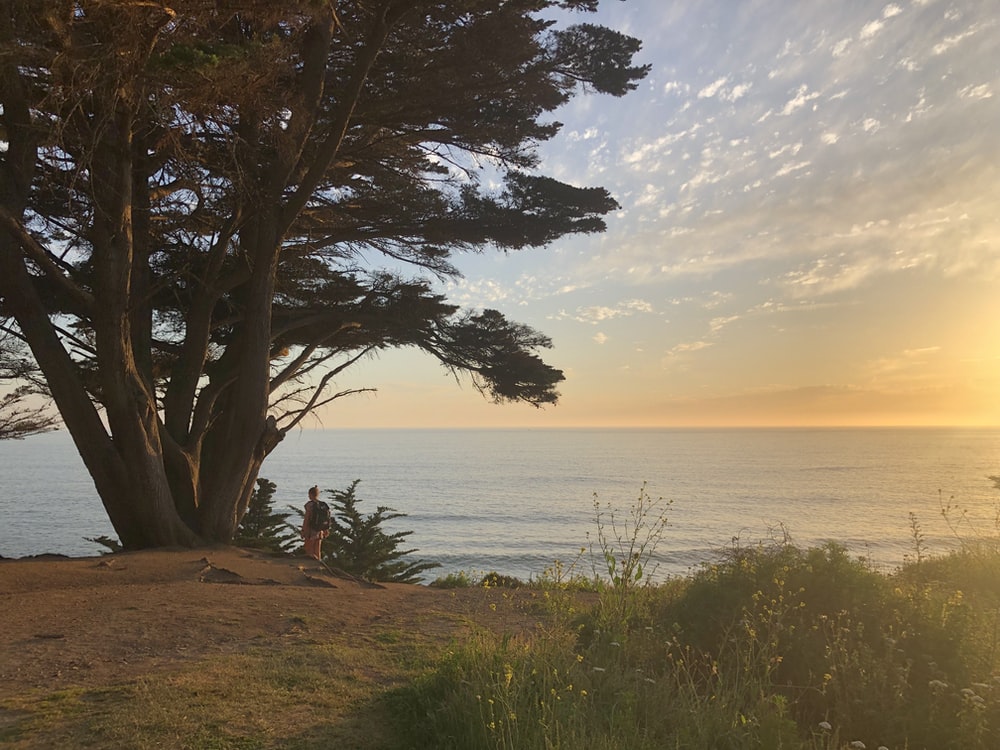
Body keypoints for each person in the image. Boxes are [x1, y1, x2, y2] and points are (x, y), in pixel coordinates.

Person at [301, 485, 328, 560]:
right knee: (317, 550)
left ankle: (309, 565)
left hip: (311, 530)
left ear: (310, 494)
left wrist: (303, 530)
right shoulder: (323, 505)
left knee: (309, 550)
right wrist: (326, 529)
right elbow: (327, 518)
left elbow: (306, 519)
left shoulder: (309, 505)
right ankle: (318, 565)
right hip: (320, 531)